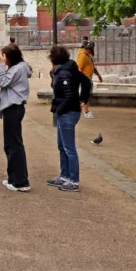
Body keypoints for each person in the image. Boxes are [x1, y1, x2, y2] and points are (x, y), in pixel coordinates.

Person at [48, 45, 91, 192]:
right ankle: (65, 176)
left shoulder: (65, 72)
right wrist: (84, 98)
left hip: (67, 111)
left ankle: (73, 180)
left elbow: (69, 95)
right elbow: (86, 82)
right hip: (67, 110)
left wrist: (59, 109)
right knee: (62, 146)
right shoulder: (67, 69)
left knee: (69, 148)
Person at [0, 44, 32, 193]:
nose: (0, 58)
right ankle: (13, 178)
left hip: (13, 108)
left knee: (14, 145)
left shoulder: (17, 68)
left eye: (2, 55)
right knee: (10, 144)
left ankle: (20, 181)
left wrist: (1, 67)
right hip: (13, 107)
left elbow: (2, 82)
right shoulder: (20, 67)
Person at [76, 40, 102, 119]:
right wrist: (82, 79)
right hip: (84, 79)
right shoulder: (83, 56)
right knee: (85, 96)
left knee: (87, 95)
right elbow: (78, 69)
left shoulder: (87, 56)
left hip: (87, 79)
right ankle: (86, 112)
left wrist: (98, 75)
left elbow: (92, 68)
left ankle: (82, 110)